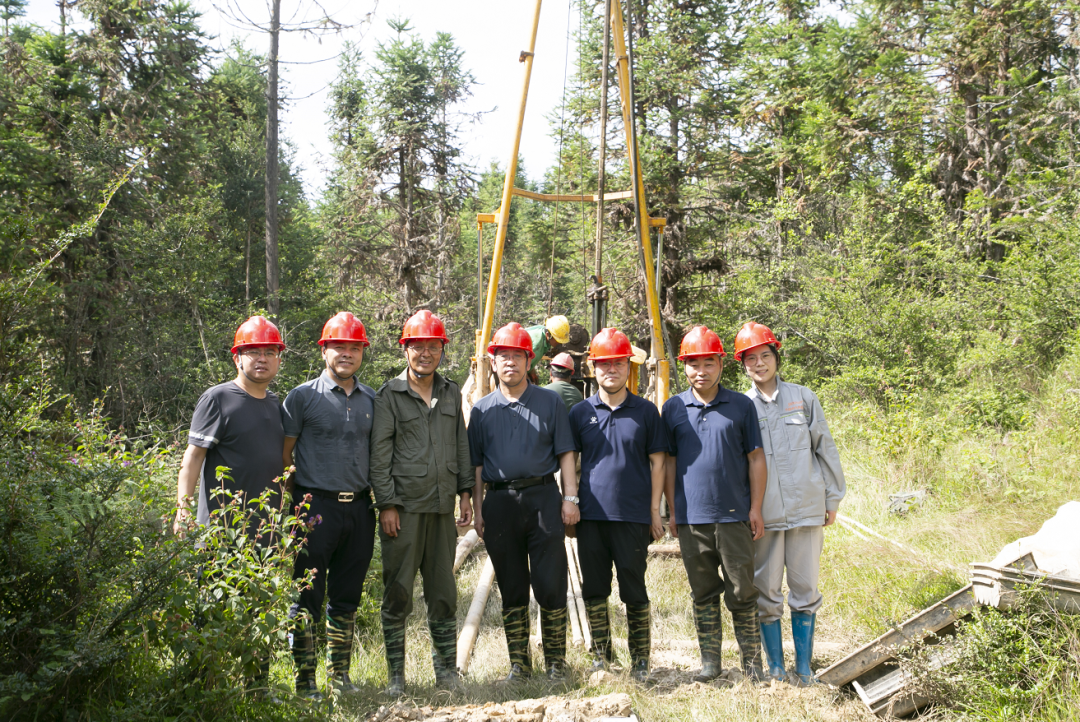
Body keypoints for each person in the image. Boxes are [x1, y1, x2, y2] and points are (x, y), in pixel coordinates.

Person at [174, 315, 287, 692]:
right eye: (252, 352)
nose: (261, 359)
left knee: (261, 614)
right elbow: (192, 460)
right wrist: (182, 511)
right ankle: (205, 693)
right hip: (221, 534)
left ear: (279, 360)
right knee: (212, 613)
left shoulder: (275, 405)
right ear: (236, 358)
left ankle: (256, 693)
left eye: (269, 352)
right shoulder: (218, 398)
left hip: (265, 535)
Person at [734, 322, 846, 686]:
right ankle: (776, 669)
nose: (760, 364)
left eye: (765, 356)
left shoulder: (803, 397)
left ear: (776, 357)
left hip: (808, 509)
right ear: (743, 366)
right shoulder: (741, 406)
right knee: (766, 589)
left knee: (805, 588)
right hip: (764, 515)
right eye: (751, 359)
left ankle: (804, 668)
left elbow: (824, 448)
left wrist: (833, 496)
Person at [369, 310, 475, 696]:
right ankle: (396, 676)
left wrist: (465, 493)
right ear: (405, 349)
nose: (425, 353)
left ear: (442, 350)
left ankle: (445, 671)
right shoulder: (389, 396)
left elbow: (461, 446)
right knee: (398, 591)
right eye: (418, 346)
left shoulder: (449, 393)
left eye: (433, 346)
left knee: (443, 591)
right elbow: (380, 456)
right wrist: (387, 505)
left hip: (442, 509)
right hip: (405, 512)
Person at [468, 322, 580, 682]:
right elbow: (477, 466)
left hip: (543, 499)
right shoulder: (482, 410)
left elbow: (566, 453)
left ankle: (556, 663)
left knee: (550, 582)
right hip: (500, 504)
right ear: (493, 362)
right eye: (504, 356)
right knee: (512, 584)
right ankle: (519, 665)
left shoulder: (549, 402)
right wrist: (476, 507)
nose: (510, 363)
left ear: (529, 361)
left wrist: (570, 498)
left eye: (517, 356)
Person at [662, 325, 767, 683]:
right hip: (693, 517)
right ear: (684, 367)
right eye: (693, 364)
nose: (701, 371)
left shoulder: (740, 405)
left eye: (708, 363)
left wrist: (755, 508)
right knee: (703, 591)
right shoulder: (673, 407)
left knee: (742, 590)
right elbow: (670, 463)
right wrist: (673, 511)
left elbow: (756, 458)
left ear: (721, 364)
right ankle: (711, 664)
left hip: (734, 515)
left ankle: (753, 666)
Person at [281, 312, 377, 699]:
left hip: (359, 508)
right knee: (307, 595)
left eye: (354, 347)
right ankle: (305, 681)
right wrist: (295, 505)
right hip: (313, 507)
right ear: (324, 349)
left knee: (347, 596)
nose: (347, 354)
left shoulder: (373, 399)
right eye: (339, 346)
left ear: (362, 353)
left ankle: (340, 677)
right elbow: (283, 457)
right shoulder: (301, 397)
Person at [568, 328, 667, 682]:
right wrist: (569, 502)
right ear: (592, 367)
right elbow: (568, 461)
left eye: (618, 363)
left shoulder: (645, 412)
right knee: (594, 588)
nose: (611, 370)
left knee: (634, 588)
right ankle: (601, 657)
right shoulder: (579, 413)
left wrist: (655, 511)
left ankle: (640, 661)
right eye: (604, 363)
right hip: (591, 515)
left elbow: (658, 463)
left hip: (632, 516)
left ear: (629, 366)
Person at [525, 315, 571, 381]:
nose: (560, 343)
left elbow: (528, 359)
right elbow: (521, 365)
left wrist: (532, 372)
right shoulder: (537, 344)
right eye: (557, 340)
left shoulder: (544, 333)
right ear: (548, 335)